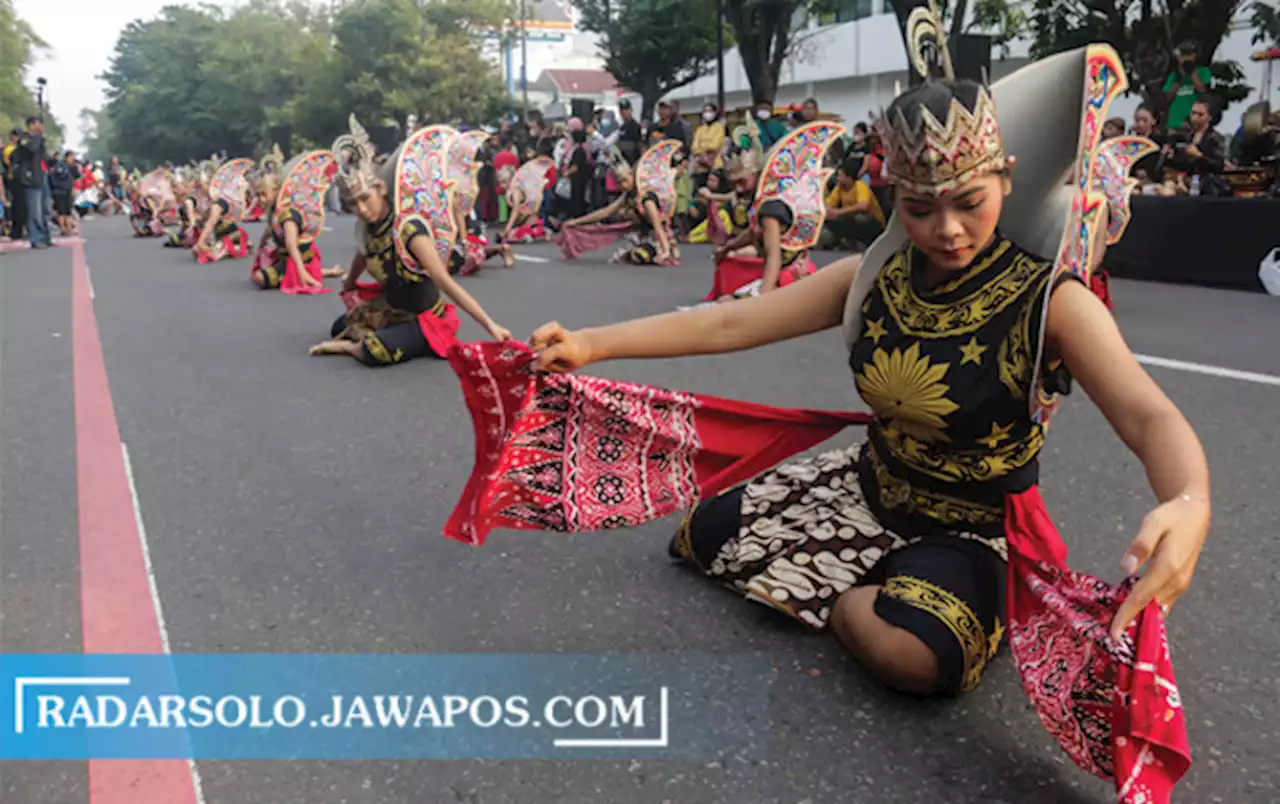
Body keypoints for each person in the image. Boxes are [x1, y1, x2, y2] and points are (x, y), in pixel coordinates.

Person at [512, 42, 1203, 804]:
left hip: (974, 525)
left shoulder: (1052, 302)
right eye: (919, 207)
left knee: (914, 660)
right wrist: (590, 344)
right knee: (703, 536)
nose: (946, 229)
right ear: (894, 198)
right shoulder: (873, 278)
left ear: (1007, 179)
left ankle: (848, 596)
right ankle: (861, 566)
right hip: (868, 488)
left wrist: (1188, 501)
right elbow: (729, 328)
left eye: (969, 201)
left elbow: (1148, 413)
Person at [310, 119, 512, 365]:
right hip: (390, 308)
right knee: (339, 325)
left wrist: (491, 325)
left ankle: (347, 347)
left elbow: (445, 282)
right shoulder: (370, 228)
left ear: (381, 188)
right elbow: (362, 255)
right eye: (353, 203)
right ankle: (370, 336)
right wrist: (349, 283)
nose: (361, 208)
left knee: (375, 351)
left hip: (424, 317)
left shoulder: (408, 230)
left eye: (365, 198)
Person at [703, 122, 844, 302]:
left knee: (726, 305)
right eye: (733, 184)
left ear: (756, 174)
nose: (737, 189)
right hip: (790, 275)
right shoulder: (765, 203)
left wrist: (764, 298)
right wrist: (728, 248)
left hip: (789, 279)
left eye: (742, 182)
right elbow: (754, 231)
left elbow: (773, 257)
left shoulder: (770, 209)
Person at [556, 139, 679, 265]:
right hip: (643, 235)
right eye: (619, 182)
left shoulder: (646, 199)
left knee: (638, 257)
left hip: (658, 237)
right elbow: (606, 212)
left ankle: (668, 248)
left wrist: (665, 252)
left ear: (632, 175)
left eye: (625, 180)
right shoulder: (629, 195)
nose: (623, 185)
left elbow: (658, 227)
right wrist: (576, 222)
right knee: (618, 259)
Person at [248, 144, 344, 293]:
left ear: (276, 191)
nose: (259, 199)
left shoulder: (288, 214)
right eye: (257, 195)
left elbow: (291, 244)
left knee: (260, 278)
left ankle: (310, 272)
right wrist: (261, 246)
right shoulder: (275, 211)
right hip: (285, 259)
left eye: (263, 194)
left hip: (299, 260)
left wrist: (301, 273)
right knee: (259, 275)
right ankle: (322, 271)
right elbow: (269, 231)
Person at [192, 157, 253, 264]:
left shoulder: (219, 203)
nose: (200, 189)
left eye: (203, 185)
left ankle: (237, 245)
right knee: (197, 252)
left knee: (207, 255)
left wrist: (200, 242)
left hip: (230, 235)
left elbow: (211, 223)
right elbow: (205, 221)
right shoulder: (211, 202)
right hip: (220, 236)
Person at [819, 159, 885, 251]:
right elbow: (829, 204)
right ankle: (847, 241)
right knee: (832, 219)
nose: (837, 178)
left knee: (859, 217)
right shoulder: (839, 188)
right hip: (852, 220)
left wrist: (839, 212)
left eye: (840, 176)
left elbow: (863, 206)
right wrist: (829, 212)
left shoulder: (860, 186)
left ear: (849, 177)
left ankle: (864, 241)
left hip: (873, 223)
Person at [15, 116, 52, 249]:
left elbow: (44, 156)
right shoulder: (25, 138)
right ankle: (36, 238)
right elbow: (31, 148)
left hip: (42, 175)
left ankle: (46, 236)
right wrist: (37, 135)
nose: (41, 127)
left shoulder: (40, 139)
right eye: (38, 124)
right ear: (31, 125)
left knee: (46, 209)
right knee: (34, 210)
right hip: (31, 177)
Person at [1163, 41, 1212, 131]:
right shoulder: (1173, 75)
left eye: (1189, 54)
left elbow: (1202, 89)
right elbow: (1168, 97)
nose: (1186, 57)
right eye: (1183, 54)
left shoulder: (1203, 71)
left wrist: (1191, 71)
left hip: (1193, 123)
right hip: (1175, 122)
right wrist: (1178, 79)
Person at [691, 103, 726, 192]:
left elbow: (715, 145)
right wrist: (704, 150)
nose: (707, 113)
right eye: (705, 111)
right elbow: (694, 148)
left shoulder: (719, 127)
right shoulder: (700, 129)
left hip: (715, 165)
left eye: (710, 111)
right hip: (701, 166)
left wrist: (702, 149)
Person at [48, 150, 81, 237]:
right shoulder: (71, 167)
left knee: (63, 211)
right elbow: (78, 177)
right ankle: (66, 229)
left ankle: (65, 229)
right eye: (72, 157)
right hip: (64, 190)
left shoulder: (57, 166)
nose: (73, 159)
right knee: (65, 211)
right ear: (68, 157)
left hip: (59, 190)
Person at [616, 99, 644, 165]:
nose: (624, 112)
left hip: (633, 161)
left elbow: (640, 145)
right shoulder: (622, 127)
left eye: (626, 109)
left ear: (631, 110)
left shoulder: (635, 126)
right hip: (623, 162)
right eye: (622, 110)